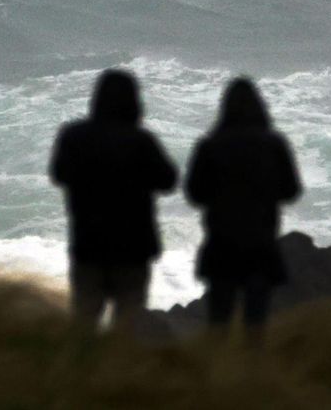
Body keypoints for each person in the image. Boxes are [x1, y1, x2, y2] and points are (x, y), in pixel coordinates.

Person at [48, 68, 178, 332]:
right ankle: (118, 371)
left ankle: (80, 372)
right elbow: (169, 181)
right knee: (128, 327)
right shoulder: (141, 141)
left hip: (88, 244)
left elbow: (59, 175)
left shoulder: (73, 136)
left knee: (83, 322)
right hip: (133, 248)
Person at [185, 77, 303, 337]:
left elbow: (194, 194)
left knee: (218, 324)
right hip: (260, 244)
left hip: (221, 243)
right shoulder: (273, 144)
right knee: (256, 325)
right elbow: (291, 190)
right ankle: (252, 373)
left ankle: (218, 373)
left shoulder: (210, 145)